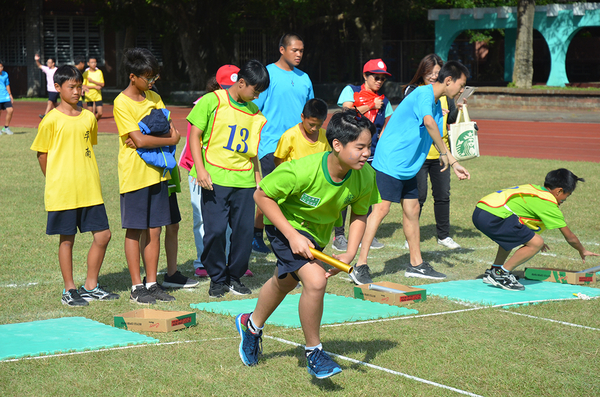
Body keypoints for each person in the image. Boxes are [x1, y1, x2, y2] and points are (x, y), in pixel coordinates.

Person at [235, 111, 380, 379]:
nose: (366, 153)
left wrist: (350, 252)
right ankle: (314, 352)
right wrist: (291, 235)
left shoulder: (365, 176)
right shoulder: (302, 170)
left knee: (286, 282)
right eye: (360, 147)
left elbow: (360, 213)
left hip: (316, 235)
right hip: (284, 225)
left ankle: (251, 324)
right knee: (315, 281)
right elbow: (262, 194)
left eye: (368, 146)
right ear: (337, 145)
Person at [354, 61, 471, 284]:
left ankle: (416, 264)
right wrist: (446, 155)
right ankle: (360, 265)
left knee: (413, 209)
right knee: (381, 209)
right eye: (461, 84)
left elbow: (436, 134)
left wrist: (454, 162)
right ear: (448, 81)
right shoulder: (424, 94)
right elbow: (428, 123)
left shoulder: (439, 102)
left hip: (409, 164)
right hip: (392, 160)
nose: (462, 89)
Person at [30, 65, 117, 306]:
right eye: (72, 87)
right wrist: (55, 179)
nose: (77, 91)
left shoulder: (89, 117)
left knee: (104, 235)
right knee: (67, 239)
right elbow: (42, 154)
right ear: (57, 88)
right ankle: (69, 290)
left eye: (79, 86)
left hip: (90, 188)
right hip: (63, 191)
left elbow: (88, 149)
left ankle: (90, 285)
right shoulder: (50, 120)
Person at [188, 59, 270, 298]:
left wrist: (258, 178)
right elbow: (194, 135)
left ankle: (234, 277)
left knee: (244, 232)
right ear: (241, 82)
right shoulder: (212, 100)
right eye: (255, 91)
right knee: (214, 230)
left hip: (244, 181)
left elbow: (252, 149)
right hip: (215, 178)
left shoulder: (254, 111)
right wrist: (200, 170)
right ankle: (217, 277)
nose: (257, 97)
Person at [113, 48, 180, 304]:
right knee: (135, 230)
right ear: (133, 76)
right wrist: (155, 139)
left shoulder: (154, 97)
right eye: (147, 77)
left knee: (155, 230)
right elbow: (138, 141)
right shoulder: (121, 103)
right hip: (135, 176)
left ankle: (152, 284)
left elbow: (175, 134)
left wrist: (148, 140)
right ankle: (136, 286)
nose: (152, 82)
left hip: (159, 174)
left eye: (154, 77)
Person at [473, 169, 599, 291]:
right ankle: (501, 274)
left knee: (513, 237)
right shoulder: (547, 201)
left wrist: (530, 237)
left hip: (482, 210)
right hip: (493, 216)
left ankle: (495, 270)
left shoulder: (534, 189)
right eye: (567, 195)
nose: (564, 200)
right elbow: (569, 236)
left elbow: (521, 222)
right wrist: (582, 250)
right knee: (536, 242)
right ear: (559, 191)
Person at [178, 65, 246, 278]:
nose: (228, 91)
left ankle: (226, 261)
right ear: (216, 85)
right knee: (201, 218)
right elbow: (193, 140)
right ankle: (202, 261)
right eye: (224, 87)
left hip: (226, 172)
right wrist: (199, 171)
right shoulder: (204, 104)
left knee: (226, 220)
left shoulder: (241, 107)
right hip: (200, 170)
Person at [252, 33, 314, 254]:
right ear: (282, 50)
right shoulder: (267, 74)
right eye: (294, 50)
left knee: (294, 195)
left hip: (298, 147)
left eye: (301, 51)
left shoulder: (305, 78)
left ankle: (290, 235)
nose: (299, 54)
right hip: (271, 145)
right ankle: (257, 235)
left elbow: (309, 113)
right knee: (270, 192)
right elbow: (255, 109)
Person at [332, 58, 394, 252]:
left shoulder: (385, 100)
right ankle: (339, 235)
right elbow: (346, 113)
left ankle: (364, 234)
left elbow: (387, 125)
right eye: (376, 77)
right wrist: (370, 106)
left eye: (383, 78)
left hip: (372, 153)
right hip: (349, 152)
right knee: (343, 193)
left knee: (365, 193)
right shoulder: (351, 90)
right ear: (365, 75)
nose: (379, 81)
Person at [405, 54, 462, 250]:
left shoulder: (444, 94)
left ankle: (444, 236)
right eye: (429, 72)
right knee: (418, 196)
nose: (432, 76)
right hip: (419, 153)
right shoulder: (414, 91)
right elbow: (414, 119)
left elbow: (451, 121)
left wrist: (458, 111)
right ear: (422, 72)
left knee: (443, 195)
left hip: (441, 153)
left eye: (436, 73)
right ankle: (410, 236)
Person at [273, 98, 330, 166]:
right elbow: (278, 160)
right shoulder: (289, 136)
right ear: (302, 117)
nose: (314, 128)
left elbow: (327, 160)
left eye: (319, 125)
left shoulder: (325, 136)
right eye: (311, 124)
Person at [0, 60, 14, 135]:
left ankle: (6, 127)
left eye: (1, 66)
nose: (1, 68)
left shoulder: (5, 74)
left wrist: (10, 94)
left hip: (5, 96)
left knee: (10, 110)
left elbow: (7, 84)